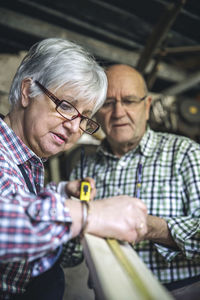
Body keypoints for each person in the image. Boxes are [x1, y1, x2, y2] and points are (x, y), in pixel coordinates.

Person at [0, 43, 148, 300]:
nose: (74, 128)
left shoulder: (26, 160)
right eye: (67, 106)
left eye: (84, 118)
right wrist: (90, 214)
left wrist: (59, 190)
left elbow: (10, 195)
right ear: (26, 92)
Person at [70, 64, 200, 291]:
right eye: (109, 103)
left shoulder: (186, 154)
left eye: (129, 101)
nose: (118, 112)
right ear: (98, 111)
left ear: (147, 106)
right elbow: (72, 256)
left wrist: (150, 227)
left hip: (179, 290)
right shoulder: (84, 168)